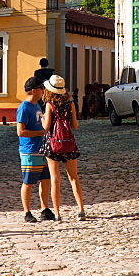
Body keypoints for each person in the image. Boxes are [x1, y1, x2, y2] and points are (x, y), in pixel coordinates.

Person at [40, 75, 85, 221]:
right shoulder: (70, 104)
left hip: (53, 144)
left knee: (55, 178)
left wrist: (42, 120)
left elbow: (46, 127)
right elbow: (75, 125)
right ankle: (81, 210)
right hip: (68, 143)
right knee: (73, 178)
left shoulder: (49, 104)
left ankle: (58, 213)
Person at [16, 78, 54, 223]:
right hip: (29, 150)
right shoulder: (24, 108)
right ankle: (27, 211)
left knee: (45, 179)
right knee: (28, 182)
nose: (43, 91)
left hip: (42, 149)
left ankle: (45, 208)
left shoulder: (37, 105)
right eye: (41, 88)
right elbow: (20, 131)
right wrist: (40, 133)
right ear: (33, 90)